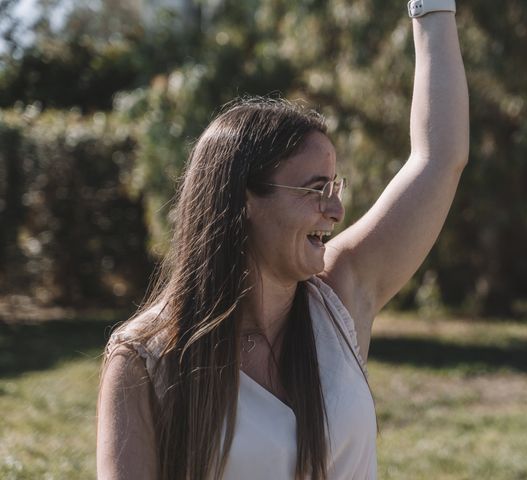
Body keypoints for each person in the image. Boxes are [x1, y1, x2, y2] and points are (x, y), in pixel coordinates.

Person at [96, 2, 468, 479]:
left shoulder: (339, 297)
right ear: (244, 200)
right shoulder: (146, 360)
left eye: (336, 187)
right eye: (315, 190)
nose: (335, 210)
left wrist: (431, 6)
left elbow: (439, 157)